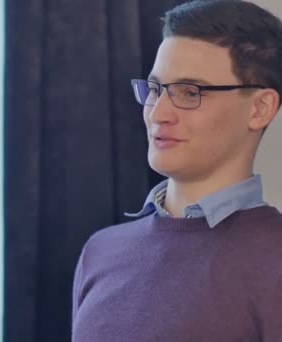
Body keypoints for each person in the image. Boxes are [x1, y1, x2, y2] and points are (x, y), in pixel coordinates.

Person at [72, 1, 282, 341]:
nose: (158, 113)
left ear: (259, 109)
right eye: (155, 89)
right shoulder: (100, 253)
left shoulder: (275, 261)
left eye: (189, 92)